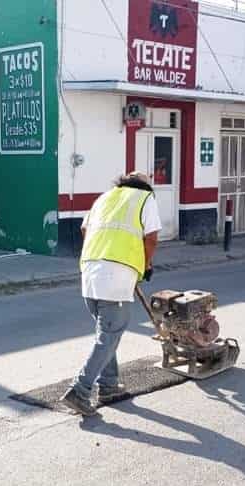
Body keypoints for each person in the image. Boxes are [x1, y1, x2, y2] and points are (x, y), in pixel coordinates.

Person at [60, 171, 161, 416]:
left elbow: (85, 230)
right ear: (145, 187)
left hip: (90, 272)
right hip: (115, 277)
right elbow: (151, 238)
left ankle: (108, 385)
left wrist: (106, 251)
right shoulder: (145, 199)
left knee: (107, 332)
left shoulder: (104, 198)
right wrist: (145, 265)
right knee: (109, 335)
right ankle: (79, 390)